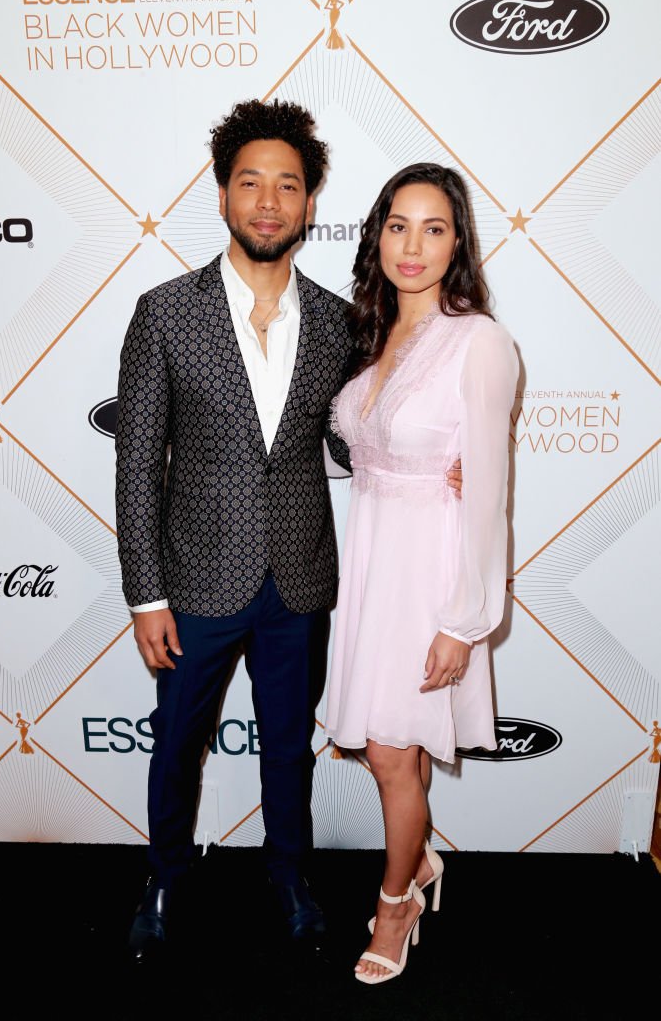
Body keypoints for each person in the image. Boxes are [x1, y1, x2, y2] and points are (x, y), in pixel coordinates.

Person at [115, 102, 462, 965]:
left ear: (309, 204)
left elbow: (358, 437)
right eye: (251, 182)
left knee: (287, 745)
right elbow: (134, 465)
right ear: (224, 194)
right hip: (192, 579)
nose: (269, 201)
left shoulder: (343, 320)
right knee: (175, 744)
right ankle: (162, 877)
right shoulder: (163, 313)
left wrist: (442, 467)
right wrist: (144, 592)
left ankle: (290, 878)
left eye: (289, 185)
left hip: (301, 577)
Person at [324, 163, 518, 984]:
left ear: (459, 242)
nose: (413, 245)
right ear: (378, 235)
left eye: (434, 228)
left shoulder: (481, 342)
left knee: (396, 754)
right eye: (398, 225)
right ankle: (422, 863)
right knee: (378, 749)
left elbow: (488, 502)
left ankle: (397, 901)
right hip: (371, 566)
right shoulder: (368, 332)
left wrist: (462, 620)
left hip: (428, 578)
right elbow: (358, 450)